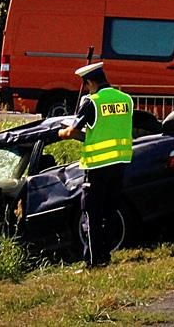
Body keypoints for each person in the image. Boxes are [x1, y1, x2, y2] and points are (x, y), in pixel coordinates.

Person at [58, 62, 133, 268]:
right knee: (110, 212)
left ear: (90, 82)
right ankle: (105, 256)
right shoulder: (126, 99)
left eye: (86, 85)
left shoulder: (92, 102)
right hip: (120, 163)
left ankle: (92, 261)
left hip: (97, 166)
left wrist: (61, 132)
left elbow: (73, 131)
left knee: (91, 214)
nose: (87, 90)